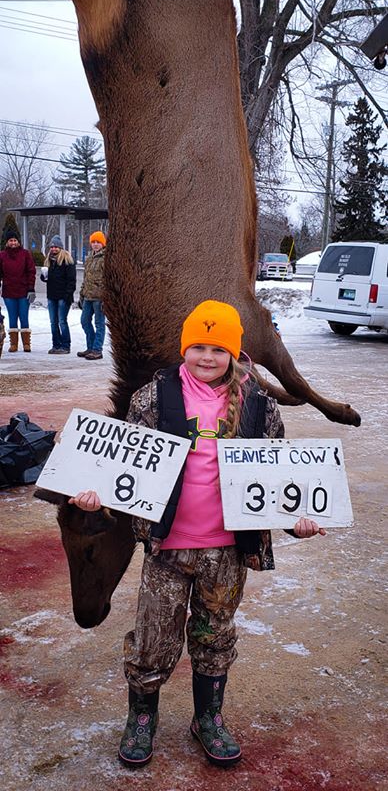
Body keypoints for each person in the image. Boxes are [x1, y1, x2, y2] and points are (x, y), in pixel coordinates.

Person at [69, 300, 325, 769]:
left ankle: (208, 717)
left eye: (219, 348)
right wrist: (96, 497)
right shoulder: (153, 397)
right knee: (153, 639)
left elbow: (275, 477)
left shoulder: (258, 404)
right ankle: (141, 719)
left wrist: (298, 519)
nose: (207, 357)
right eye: (198, 347)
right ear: (185, 348)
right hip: (168, 547)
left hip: (226, 551)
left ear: (234, 353)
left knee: (214, 635)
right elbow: (125, 463)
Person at [0, 227, 36, 352]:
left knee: (24, 316)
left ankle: (26, 343)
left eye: (15, 240)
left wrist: (31, 289)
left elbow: (31, 271)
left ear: (18, 241)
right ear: (7, 242)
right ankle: (13, 344)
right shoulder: (2, 255)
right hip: (8, 292)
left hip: (23, 291)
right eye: (11, 240)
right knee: (12, 317)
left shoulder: (25, 254)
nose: (13, 243)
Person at [41, 235, 76, 354]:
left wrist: (68, 295)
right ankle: (56, 344)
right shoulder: (49, 261)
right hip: (51, 296)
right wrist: (44, 276)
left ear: (60, 248)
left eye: (56, 246)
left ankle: (66, 345)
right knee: (53, 321)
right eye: (52, 247)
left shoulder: (67, 261)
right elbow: (48, 279)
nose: (54, 249)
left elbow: (71, 280)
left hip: (63, 297)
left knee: (62, 321)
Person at [77, 230, 106, 360]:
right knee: (84, 321)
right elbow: (85, 279)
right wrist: (81, 295)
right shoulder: (88, 259)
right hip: (88, 296)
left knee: (99, 323)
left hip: (99, 298)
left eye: (98, 242)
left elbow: (109, 280)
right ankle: (91, 346)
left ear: (102, 244)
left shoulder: (106, 259)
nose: (95, 244)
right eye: (93, 242)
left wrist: (106, 298)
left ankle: (97, 349)